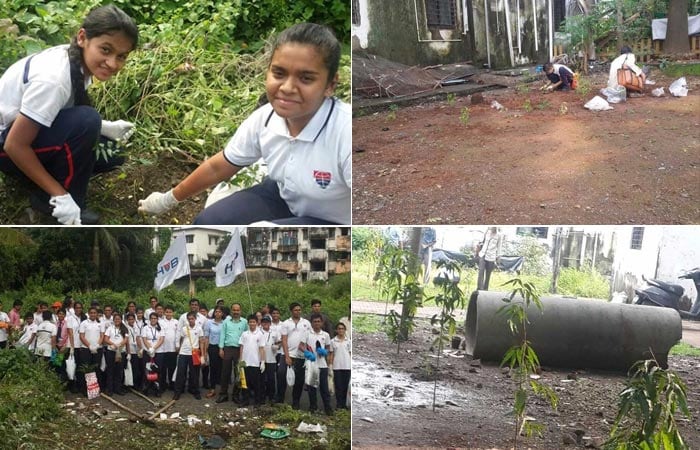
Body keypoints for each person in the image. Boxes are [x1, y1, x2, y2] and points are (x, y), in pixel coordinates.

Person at [138, 22, 350, 225]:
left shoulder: (345, 132)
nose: (287, 87)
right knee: (209, 223)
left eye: (306, 79)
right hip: (286, 197)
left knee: (260, 234)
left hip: (336, 220)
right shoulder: (265, 118)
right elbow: (217, 167)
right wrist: (167, 199)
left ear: (330, 85)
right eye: (279, 73)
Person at [0, 5, 138, 224]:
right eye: (105, 50)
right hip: (7, 146)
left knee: (113, 155)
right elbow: (14, 145)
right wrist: (61, 195)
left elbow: (57, 110)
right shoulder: (54, 79)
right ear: (83, 37)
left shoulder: (78, 60)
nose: (112, 63)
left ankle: (45, 177)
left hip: (27, 131)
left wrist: (105, 127)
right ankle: (52, 200)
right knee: (87, 121)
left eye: (121, 56)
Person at [281, 302, 312, 409]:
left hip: (301, 355)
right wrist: (287, 356)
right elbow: (284, 340)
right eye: (295, 310)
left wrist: (308, 353)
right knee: (281, 375)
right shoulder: (285, 323)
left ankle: (296, 401)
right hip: (287, 354)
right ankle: (280, 400)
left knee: (299, 380)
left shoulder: (306, 323)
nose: (298, 312)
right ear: (291, 311)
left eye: (299, 310)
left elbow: (309, 338)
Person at [216, 303, 248, 403]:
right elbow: (222, 335)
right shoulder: (226, 322)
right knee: (225, 372)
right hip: (227, 349)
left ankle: (236, 395)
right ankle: (223, 394)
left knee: (238, 373)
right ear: (231, 311)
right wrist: (221, 348)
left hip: (240, 350)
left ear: (240, 311)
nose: (236, 312)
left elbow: (247, 336)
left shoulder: (244, 322)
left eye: (237, 310)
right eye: (234, 310)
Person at [304, 313, 333, 414]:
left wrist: (324, 352)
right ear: (311, 323)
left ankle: (328, 408)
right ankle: (313, 407)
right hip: (312, 364)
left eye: (318, 321)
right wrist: (307, 353)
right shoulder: (307, 333)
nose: (317, 323)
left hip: (322, 365)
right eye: (315, 322)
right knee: (312, 388)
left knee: (324, 388)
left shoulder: (326, 335)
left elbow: (329, 348)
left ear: (322, 322)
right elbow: (301, 346)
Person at [173, 312, 204, 400]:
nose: (191, 320)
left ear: (195, 319)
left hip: (194, 353)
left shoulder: (199, 329)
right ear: (187, 319)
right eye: (189, 319)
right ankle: (177, 392)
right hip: (183, 353)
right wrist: (179, 350)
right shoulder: (184, 329)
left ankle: (196, 391)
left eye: (192, 318)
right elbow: (182, 339)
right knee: (180, 373)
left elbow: (201, 341)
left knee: (195, 374)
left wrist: (202, 354)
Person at [238, 314, 265, 406]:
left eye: (254, 322)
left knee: (256, 383)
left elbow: (261, 348)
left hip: (255, 363)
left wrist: (263, 361)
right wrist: (240, 360)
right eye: (250, 322)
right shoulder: (244, 334)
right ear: (248, 323)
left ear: (257, 323)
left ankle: (257, 401)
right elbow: (241, 347)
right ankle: (245, 400)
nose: (252, 323)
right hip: (245, 362)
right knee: (245, 383)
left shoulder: (260, 334)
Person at [78, 307, 103, 393]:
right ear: (88, 314)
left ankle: (94, 390)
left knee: (96, 368)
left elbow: (102, 336)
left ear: (97, 314)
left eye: (94, 313)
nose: (93, 314)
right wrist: (89, 346)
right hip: (86, 349)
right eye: (91, 313)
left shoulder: (100, 324)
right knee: (87, 369)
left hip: (97, 349)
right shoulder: (84, 323)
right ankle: (87, 390)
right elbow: (81, 336)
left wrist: (97, 345)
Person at [102, 314, 128, 395]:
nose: (117, 320)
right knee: (110, 370)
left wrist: (119, 345)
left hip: (121, 352)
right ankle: (110, 389)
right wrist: (113, 344)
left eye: (119, 319)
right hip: (111, 351)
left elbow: (126, 339)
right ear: (113, 320)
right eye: (115, 319)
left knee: (119, 371)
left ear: (121, 320)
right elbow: (106, 339)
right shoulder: (110, 328)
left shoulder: (124, 329)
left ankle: (118, 388)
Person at [203, 305, 225, 398]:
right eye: (216, 311)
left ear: (222, 313)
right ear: (214, 313)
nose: (218, 313)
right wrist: (205, 350)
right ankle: (212, 389)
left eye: (220, 312)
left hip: (223, 348)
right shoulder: (209, 323)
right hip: (212, 347)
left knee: (222, 369)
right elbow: (206, 337)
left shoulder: (225, 323)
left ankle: (221, 390)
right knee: (213, 368)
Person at [141, 312, 164, 397]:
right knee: (147, 371)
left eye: (155, 318)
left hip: (158, 352)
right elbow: (144, 339)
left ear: (157, 319)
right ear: (149, 319)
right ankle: (146, 388)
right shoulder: (145, 328)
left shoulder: (160, 328)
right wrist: (150, 348)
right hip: (148, 353)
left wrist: (154, 348)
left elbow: (161, 339)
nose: (153, 320)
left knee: (157, 371)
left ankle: (157, 389)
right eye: (152, 318)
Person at [329, 321, 351, 409]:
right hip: (336, 366)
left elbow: (350, 353)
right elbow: (331, 354)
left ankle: (344, 404)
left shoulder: (348, 341)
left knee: (346, 386)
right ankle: (338, 404)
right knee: (338, 386)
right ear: (336, 330)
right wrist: (330, 365)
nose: (341, 330)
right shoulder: (333, 341)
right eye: (339, 329)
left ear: (345, 330)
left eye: (342, 329)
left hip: (347, 366)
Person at [259, 315, 280, 404]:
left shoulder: (274, 332)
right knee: (261, 379)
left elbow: (279, 341)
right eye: (263, 322)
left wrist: (277, 346)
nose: (265, 323)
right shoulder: (258, 332)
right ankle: (261, 397)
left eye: (267, 322)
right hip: (260, 359)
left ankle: (271, 396)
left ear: (270, 323)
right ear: (261, 323)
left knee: (271, 378)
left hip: (271, 358)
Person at [159, 305, 179, 393]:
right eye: (167, 312)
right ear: (164, 312)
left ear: (173, 313)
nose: (168, 313)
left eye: (170, 312)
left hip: (173, 349)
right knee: (163, 368)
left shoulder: (176, 322)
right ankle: (162, 385)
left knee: (172, 368)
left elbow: (178, 335)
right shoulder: (160, 322)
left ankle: (172, 384)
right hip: (163, 348)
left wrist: (178, 345)